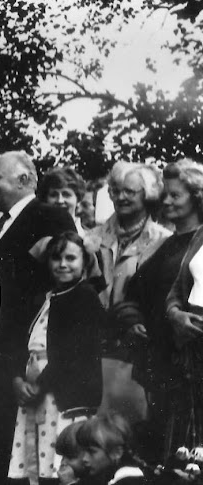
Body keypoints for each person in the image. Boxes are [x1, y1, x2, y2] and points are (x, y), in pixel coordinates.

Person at [0, 151, 77, 485]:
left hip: (30, 361)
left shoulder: (51, 217)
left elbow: (62, 295)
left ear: (23, 179)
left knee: (29, 465)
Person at [115, 159, 203, 461]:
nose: (166, 201)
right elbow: (133, 295)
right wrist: (132, 320)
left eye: (175, 195)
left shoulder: (200, 243)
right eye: (165, 194)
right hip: (159, 361)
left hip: (189, 362)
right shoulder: (161, 245)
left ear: (197, 197)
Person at [7, 232, 104, 485]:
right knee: (35, 462)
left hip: (61, 395)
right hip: (35, 390)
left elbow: (72, 352)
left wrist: (39, 386)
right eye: (56, 258)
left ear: (84, 262)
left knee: (60, 463)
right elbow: (22, 344)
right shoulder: (45, 299)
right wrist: (18, 380)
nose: (62, 264)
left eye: (70, 258)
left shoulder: (84, 297)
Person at [85, 162, 171, 425]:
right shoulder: (91, 238)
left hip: (135, 349)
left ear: (148, 194)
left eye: (129, 192)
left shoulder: (163, 241)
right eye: (115, 190)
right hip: (92, 344)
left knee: (131, 426)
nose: (121, 197)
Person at [76, 413, 146, 485]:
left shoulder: (129, 480)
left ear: (117, 452)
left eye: (91, 452)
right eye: (83, 451)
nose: (84, 458)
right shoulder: (105, 477)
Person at [37, 167, 88, 235]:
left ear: (78, 200)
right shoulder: (36, 235)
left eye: (66, 194)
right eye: (54, 195)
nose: (60, 201)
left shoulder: (89, 238)